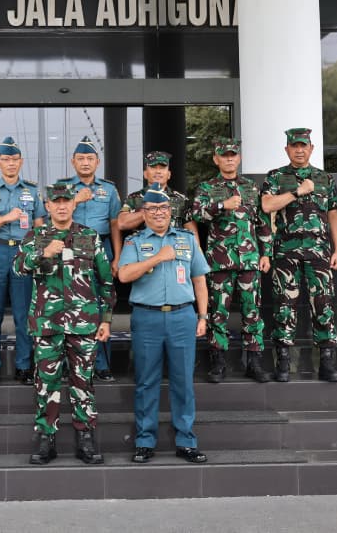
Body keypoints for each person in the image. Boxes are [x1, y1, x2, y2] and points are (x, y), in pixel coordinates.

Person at [14, 183, 113, 465]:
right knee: (46, 383)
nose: (61, 206)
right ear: (47, 206)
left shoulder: (89, 236)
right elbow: (18, 268)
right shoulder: (35, 236)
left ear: (73, 204)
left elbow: (105, 280)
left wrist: (106, 319)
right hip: (47, 323)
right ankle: (46, 438)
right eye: (56, 202)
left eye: (66, 201)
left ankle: (85, 437)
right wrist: (43, 253)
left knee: (83, 381)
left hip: (84, 323)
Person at [119, 184, 210, 464]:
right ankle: (145, 441)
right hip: (147, 318)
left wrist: (203, 316)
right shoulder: (134, 242)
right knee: (147, 381)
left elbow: (199, 279)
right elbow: (124, 275)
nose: (159, 213)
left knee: (183, 382)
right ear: (143, 213)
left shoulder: (187, 239)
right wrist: (157, 258)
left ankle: (186, 441)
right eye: (152, 209)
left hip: (182, 317)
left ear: (171, 211)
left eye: (163, 208)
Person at [261, 127, 337, 383]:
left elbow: (333, 214)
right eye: (294, 146)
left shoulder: (325, 178)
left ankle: (326, 362)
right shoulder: (276, 177)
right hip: (286, 252)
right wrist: (297, 191)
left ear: (311, 148)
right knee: (284, 306)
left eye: (303, 145)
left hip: (319, 252)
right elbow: (266, 205)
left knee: (323, 305)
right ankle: (284, 362)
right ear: (287, 149)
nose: (299, 150)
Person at [189, 138, 273, 383]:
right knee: (218, 312)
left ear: (239, 158)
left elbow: (263, 223)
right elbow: (196, 214)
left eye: (232, 155)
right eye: (224, 155)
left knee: (252, 312)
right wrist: (221, 205)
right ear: (216, 159)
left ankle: (254, 362)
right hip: (219, 261)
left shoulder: (251, 187)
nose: (229, 159)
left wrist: (266, 253)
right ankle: (218, 362)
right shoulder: (206, 187)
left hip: (249, 260)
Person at [0, 136, 45, 387]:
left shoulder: (32, 191)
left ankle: (24, 366)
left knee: (23, 313)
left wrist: (36, 254)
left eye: (15, 159)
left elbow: (39, 227)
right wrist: (5, 218)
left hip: (23, 252)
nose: (11, 163)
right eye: (6, 159)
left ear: (21, 162)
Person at [57, 136, 122, 382]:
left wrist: (117, 257)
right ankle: (68, 363)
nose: (85, 162)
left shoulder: (109, 189)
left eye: (90, 158)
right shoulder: (62, 187)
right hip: (70, 247)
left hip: (100, 246)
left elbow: (115, 224)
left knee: (102, 303)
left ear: (97, 162)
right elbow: (56, 215)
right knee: (68, 303)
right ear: (73, 162)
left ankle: (102, 364)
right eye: (81, 158)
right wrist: (76, 199)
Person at [118, 151, 195, 233]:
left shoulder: (181, 199)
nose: (158, 171)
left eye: (162, 168)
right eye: (153, 167)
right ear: (145, 174)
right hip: (143, 241)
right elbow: (122, 224)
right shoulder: (134, 198)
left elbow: (192, 232)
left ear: (169, 174)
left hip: (173, 241)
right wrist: (147, 211)